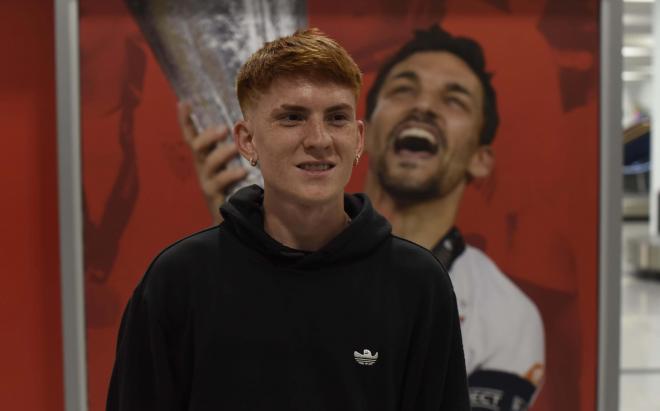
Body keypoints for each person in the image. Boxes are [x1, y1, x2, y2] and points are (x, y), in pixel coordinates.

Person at [185, 25, 545, 411]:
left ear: (480, 157)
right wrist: (243, 241)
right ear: (369, 134)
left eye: (454, 100)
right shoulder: (184, 279)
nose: (423, 107)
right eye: (404, 89)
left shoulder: (505, 315)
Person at [107, 28, 469, 411]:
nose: (319, 139)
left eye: (337, 118)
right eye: (293, 117)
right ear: (247, 140)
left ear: (359, 139)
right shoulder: (178, 281)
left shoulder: (417, 284)